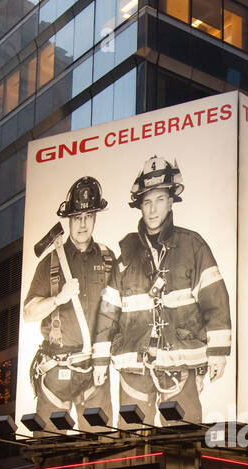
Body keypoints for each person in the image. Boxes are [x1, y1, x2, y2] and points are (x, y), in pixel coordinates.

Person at [94, 156, 230, 424]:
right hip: (134, 368)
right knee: (130, 448)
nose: (153, 209)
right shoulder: (125, 257)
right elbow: (108, 310)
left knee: (182, 449)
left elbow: (215, 301)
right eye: (147, 202)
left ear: (170, 201)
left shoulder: (193, 246)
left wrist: (218, 354)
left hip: (180, 368)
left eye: (159, 200)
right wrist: (100, 359)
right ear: (140, 206)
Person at [23, 176, 115, 425]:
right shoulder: (51, 262)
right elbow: (28, 313)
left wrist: (102, 361)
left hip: (95, 371)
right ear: (68, 220)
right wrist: (57, 298)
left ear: (95, 217)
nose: (83, 224)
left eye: (88, 217)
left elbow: (116, 313)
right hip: (56, 372)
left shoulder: (108, 260)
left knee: (102, 448)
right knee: (49, 451)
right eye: (77, 218)